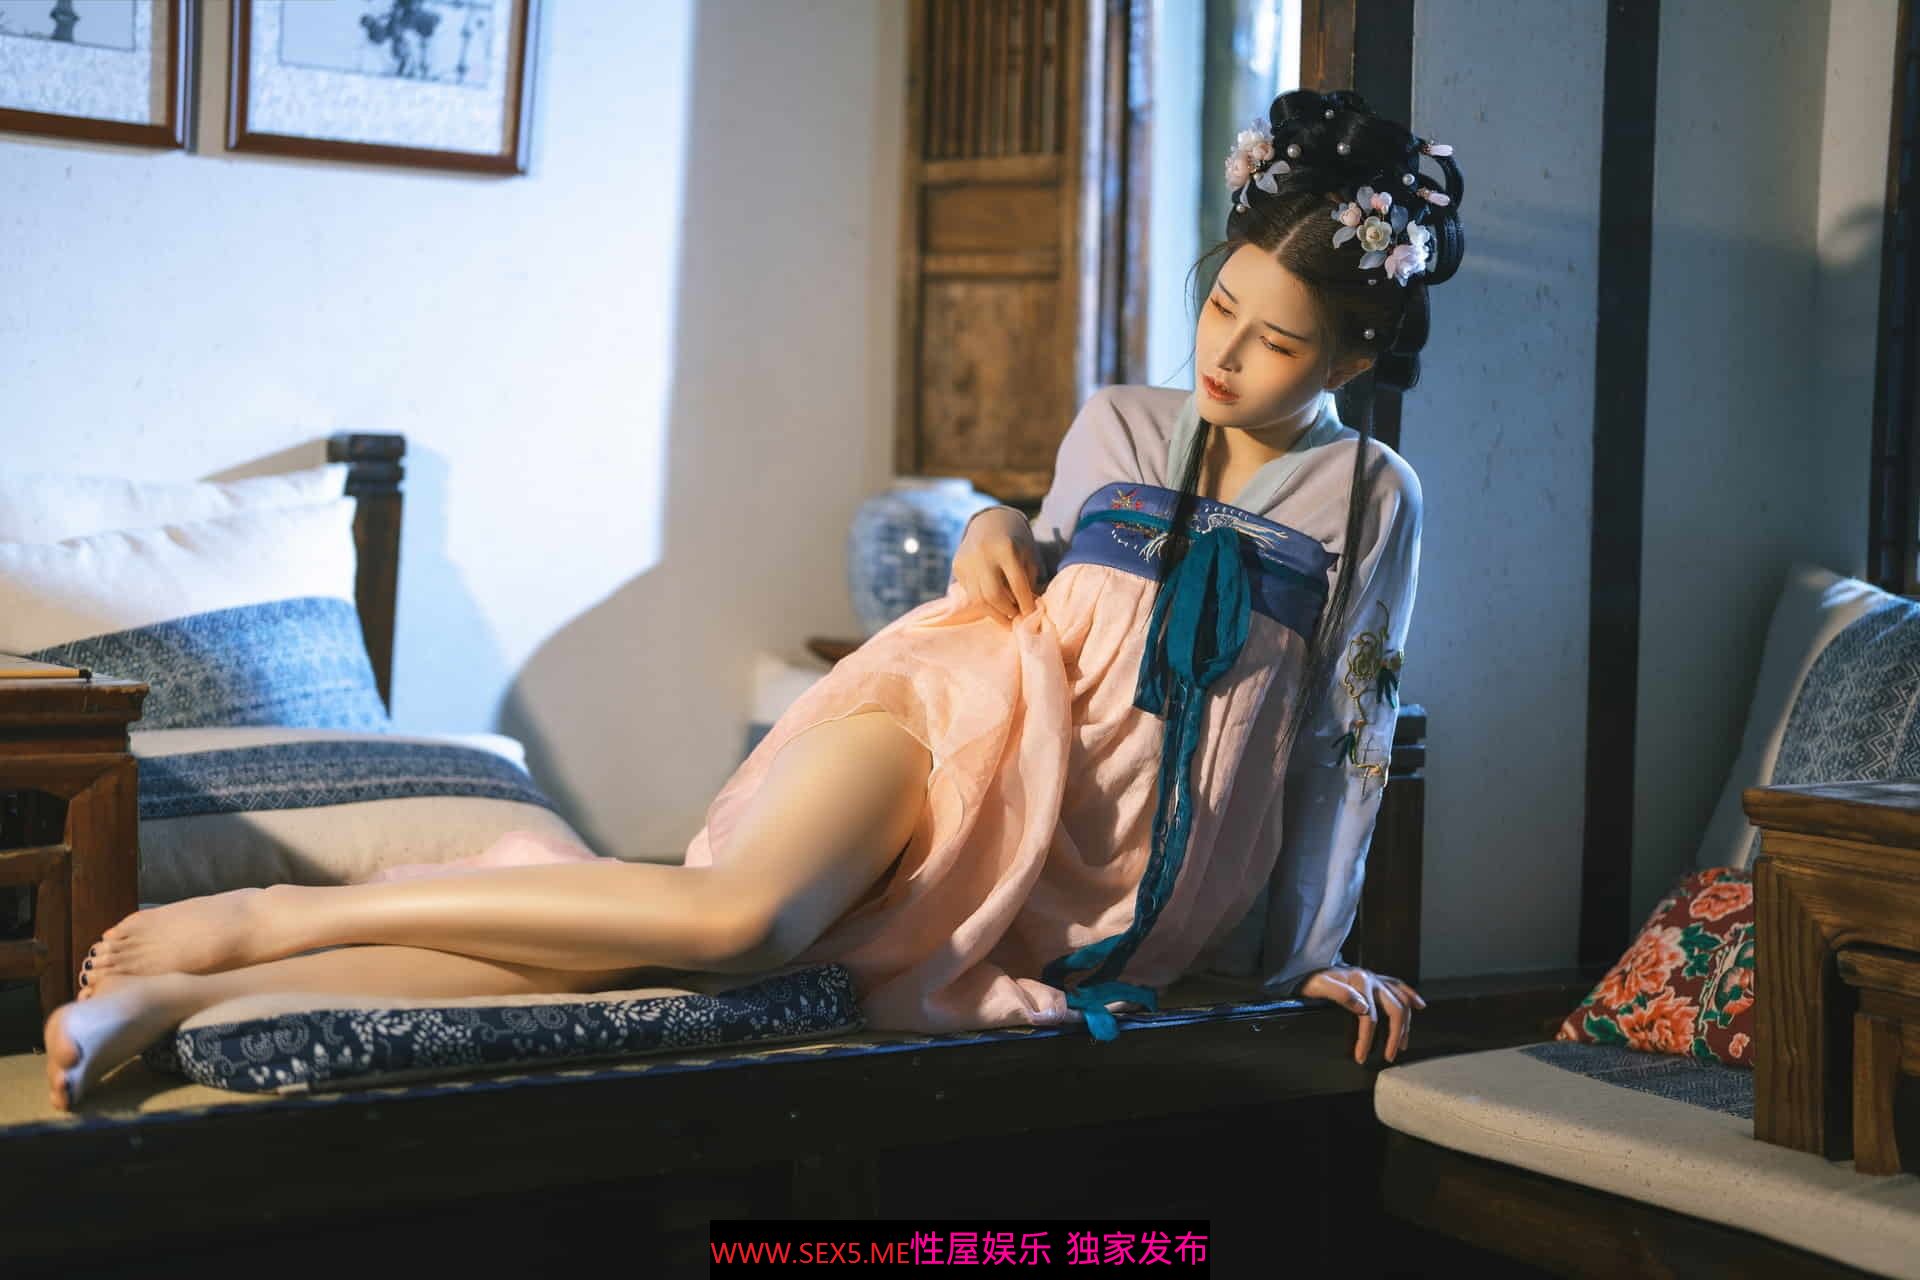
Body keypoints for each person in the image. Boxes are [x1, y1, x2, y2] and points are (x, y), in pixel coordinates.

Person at [43, 86, 1463, 1111]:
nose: (1226, 356)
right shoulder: (1123, 420)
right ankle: (274, 919)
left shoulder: (1370, 499)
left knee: (663, 971)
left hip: (1056, 868)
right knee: (737, 922)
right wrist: (987, 523)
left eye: (1278, 343)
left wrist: (1307, 958)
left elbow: (1339, 747)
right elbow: (1039, 559)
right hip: (958, 712)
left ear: (1352, 357)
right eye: (1220, 307)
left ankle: (176, 1001)